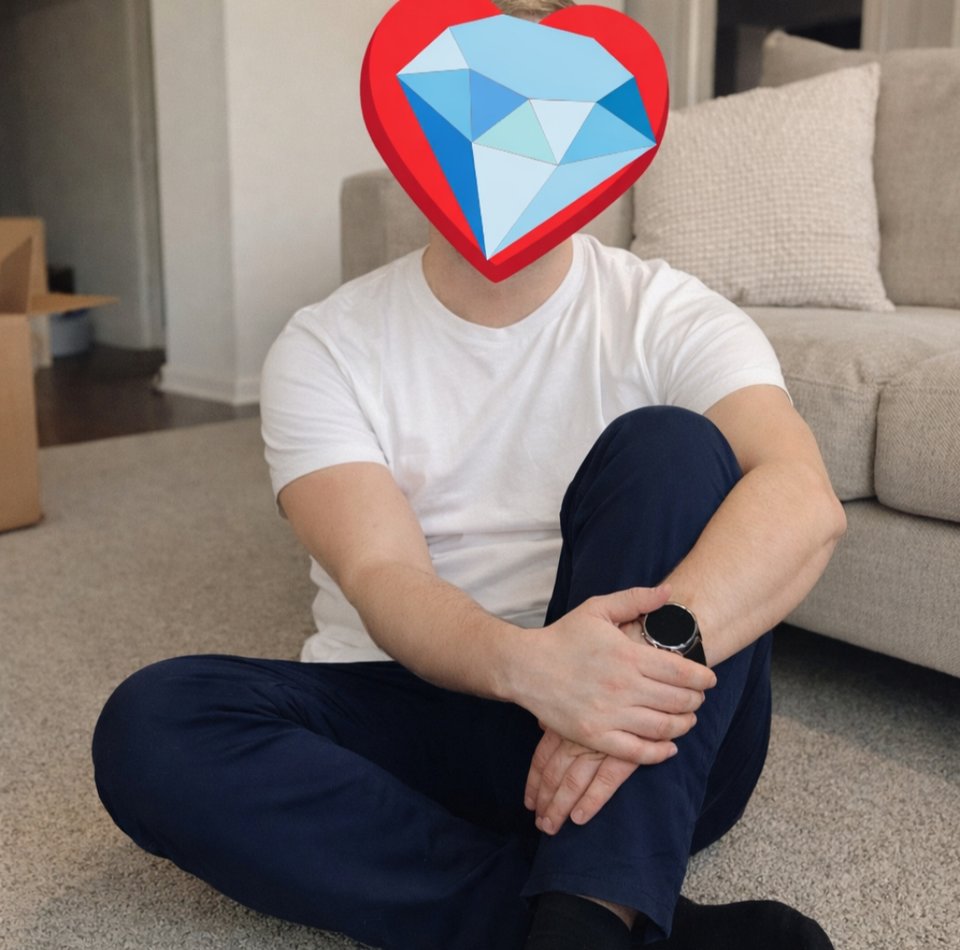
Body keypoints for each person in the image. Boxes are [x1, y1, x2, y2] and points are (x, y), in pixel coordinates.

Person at [92, 1, 846, 947]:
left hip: (657, 726)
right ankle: (595, 911)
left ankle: (584, 905)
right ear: (418, 128)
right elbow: (381, 574)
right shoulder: (326, 346)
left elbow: (802, 499)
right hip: (432, 704)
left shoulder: (669, 313)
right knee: (154, 726)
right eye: (480, 115)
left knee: (674, 448)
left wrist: (638, 664)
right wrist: (538, 672)